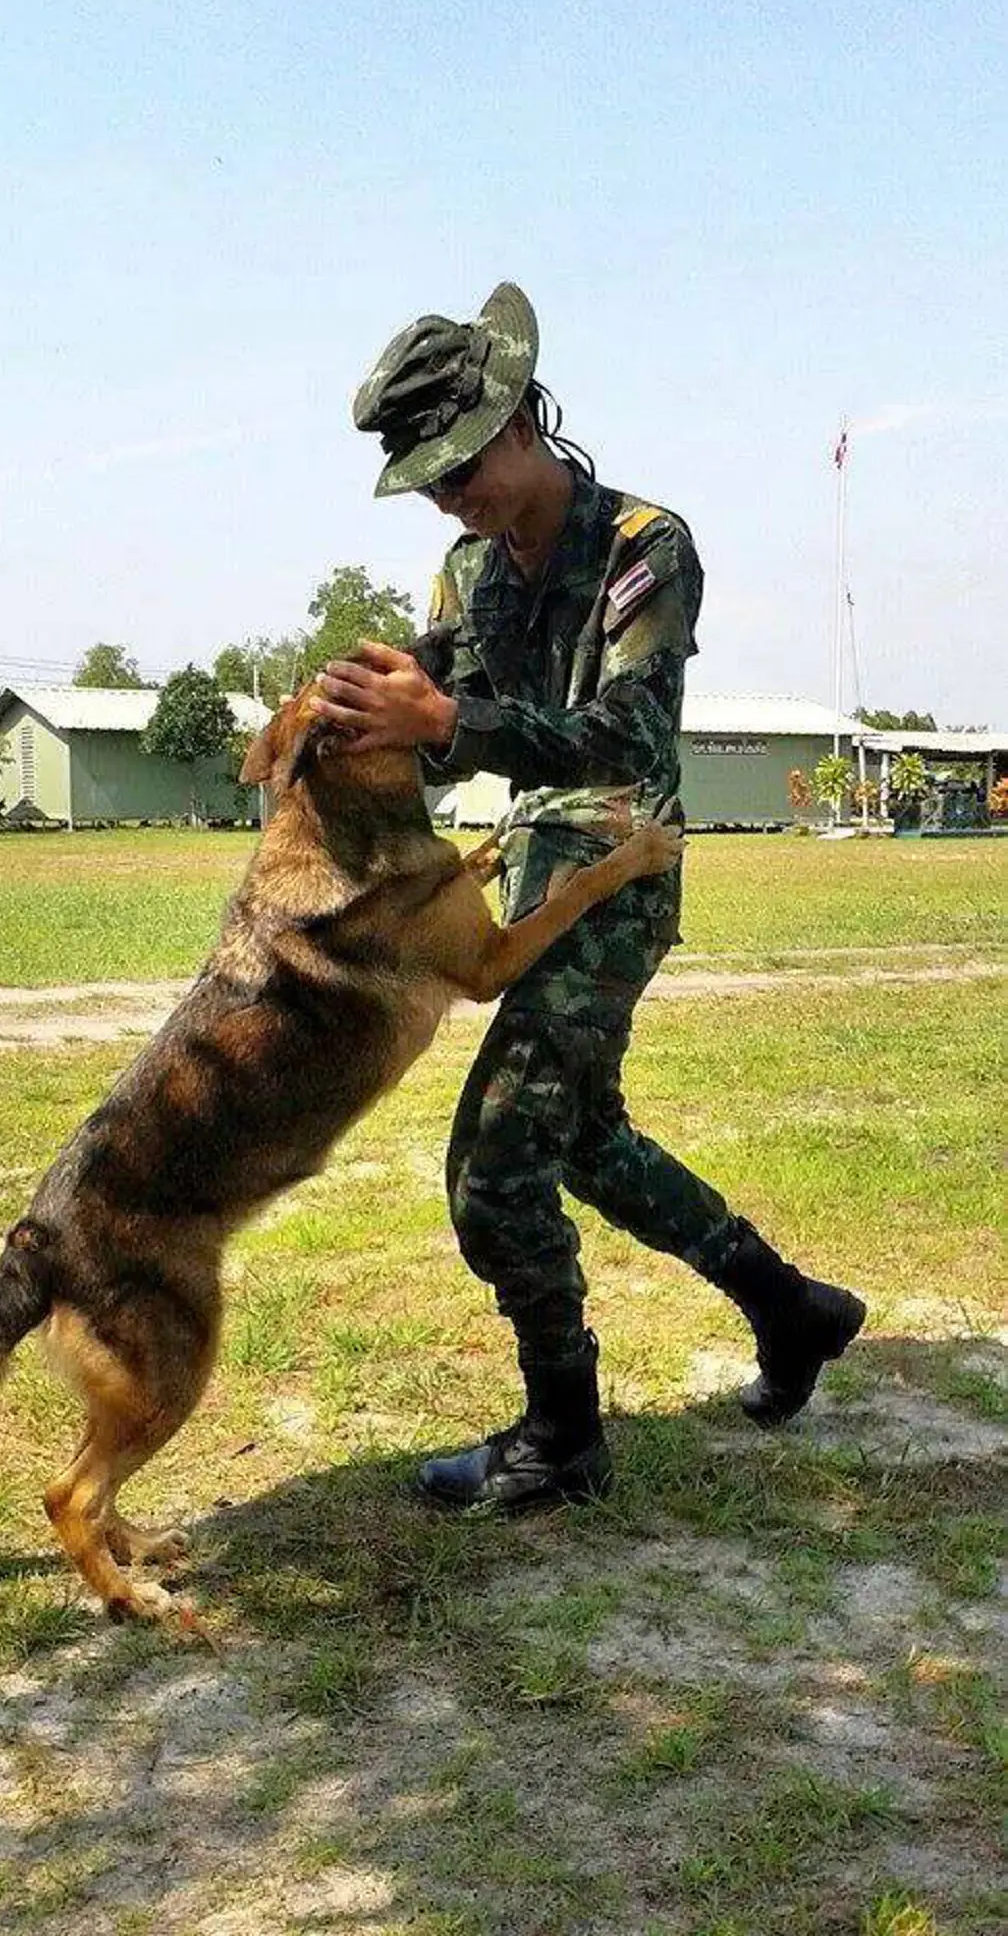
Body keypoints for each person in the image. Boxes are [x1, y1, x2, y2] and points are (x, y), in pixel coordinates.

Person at [313, 281, 865, 1512]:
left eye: (460, 467)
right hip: (526, 868)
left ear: (520, 420)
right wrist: (375, 709)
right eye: (429, 479)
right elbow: (437, 723)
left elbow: (625, 733)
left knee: (497, 1162)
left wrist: (450, 716)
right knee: (588, 1143)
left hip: (620, 868)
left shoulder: (643, 547)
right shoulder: (468, 574)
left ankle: (564, 1435)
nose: (450, 496)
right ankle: (795, 1309)